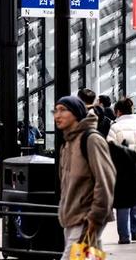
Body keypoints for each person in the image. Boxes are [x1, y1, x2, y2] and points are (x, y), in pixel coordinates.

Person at [53, 96, 115, 259]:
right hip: (71, 218)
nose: (57, 115)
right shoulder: (67, 144)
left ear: (76, 113)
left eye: (63, 110)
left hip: (86, 218)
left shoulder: (91, 139)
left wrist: (95, 216)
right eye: (56, 110)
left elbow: (105, 180)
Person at [106, 96, 136, 244]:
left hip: (122, 170)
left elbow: (110, 148)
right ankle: (135, 231)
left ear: (118, 112)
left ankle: (124, 235)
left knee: (123, 203)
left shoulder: (115, 127)